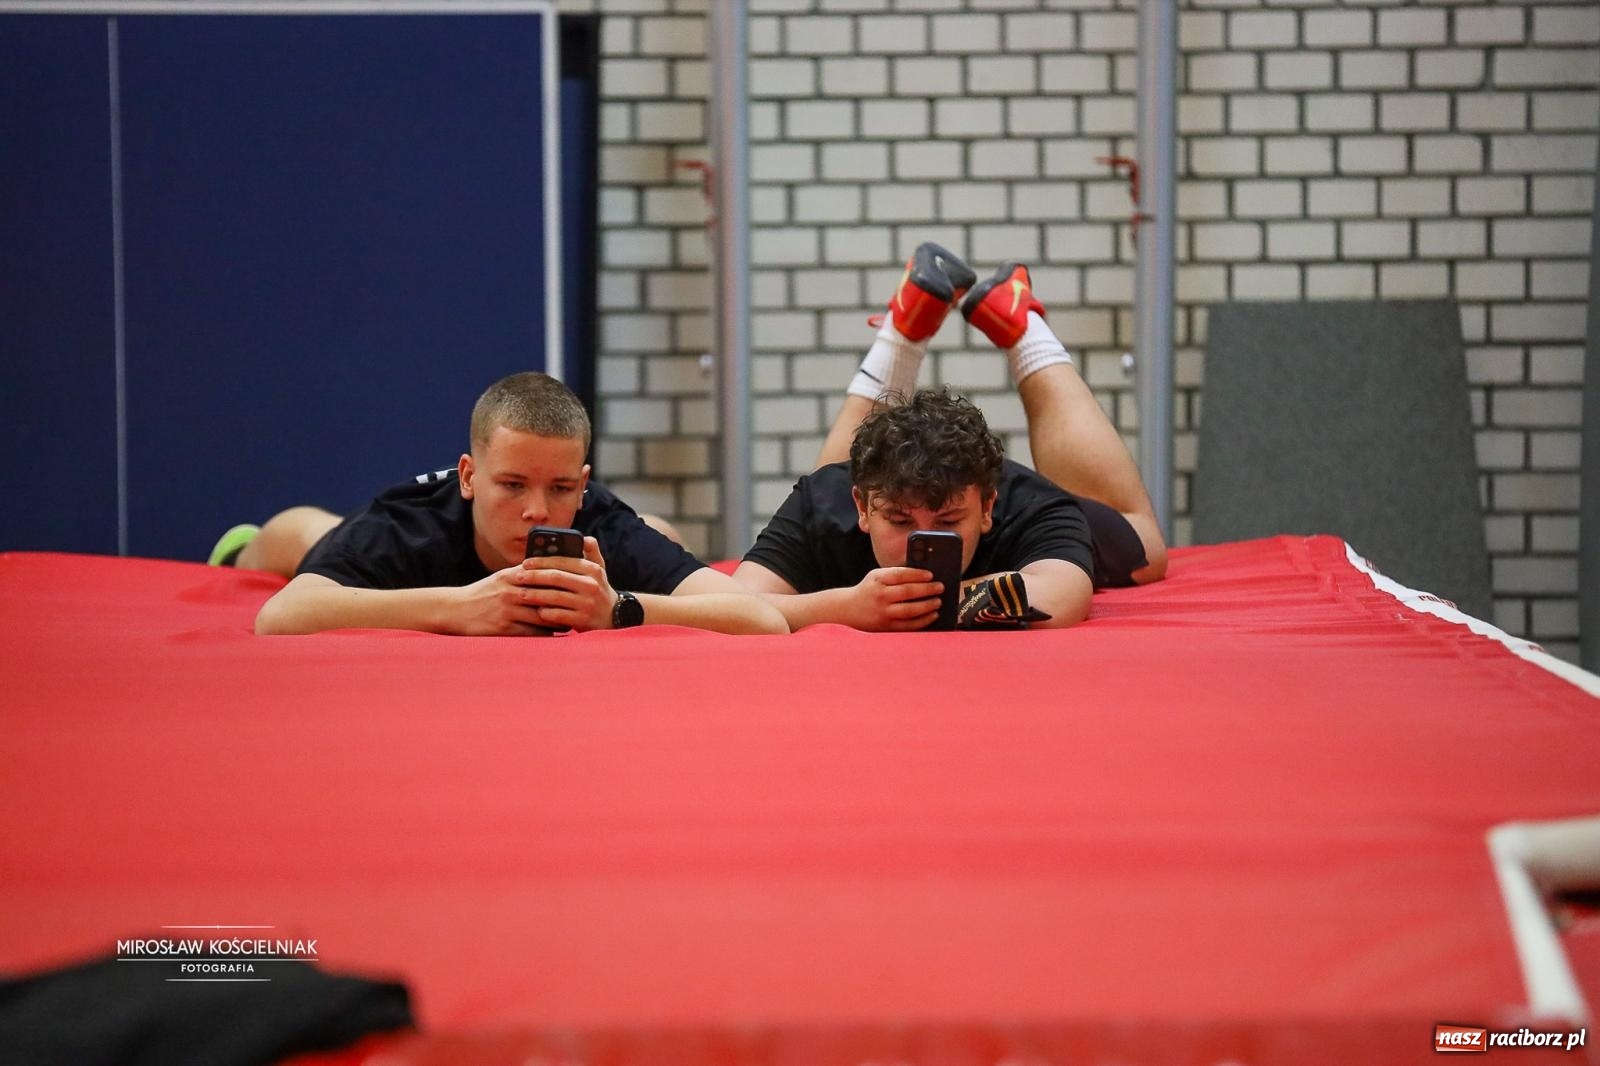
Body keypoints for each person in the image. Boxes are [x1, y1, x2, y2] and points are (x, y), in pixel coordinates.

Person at [733, 243, 1168, 632]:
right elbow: (736, 603)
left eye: (948, 523)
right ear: (862, 508)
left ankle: (1023, 328)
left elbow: (1062, 597)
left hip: (1022, 505)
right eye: (900, 521)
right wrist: (847, 605)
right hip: (849, 503)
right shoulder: (823, 500)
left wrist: (899, 604)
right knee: (832, 485)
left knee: (1148, 548)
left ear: (986, 508)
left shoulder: (1032, 509)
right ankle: (899, 335)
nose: (921, 543)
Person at [217, 371, 788, 636]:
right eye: (512, 485)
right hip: (353, 539)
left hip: (617, 551)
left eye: (561, 489)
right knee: (300, 533)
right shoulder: (409, 522)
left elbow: (760, 619)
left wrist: (619, 609)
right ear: (469, 476)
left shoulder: (600, 523)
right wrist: (459, 607)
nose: (537, 510)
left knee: (660, 534)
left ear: (583, 482)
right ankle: (244, 547)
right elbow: (281, 615)